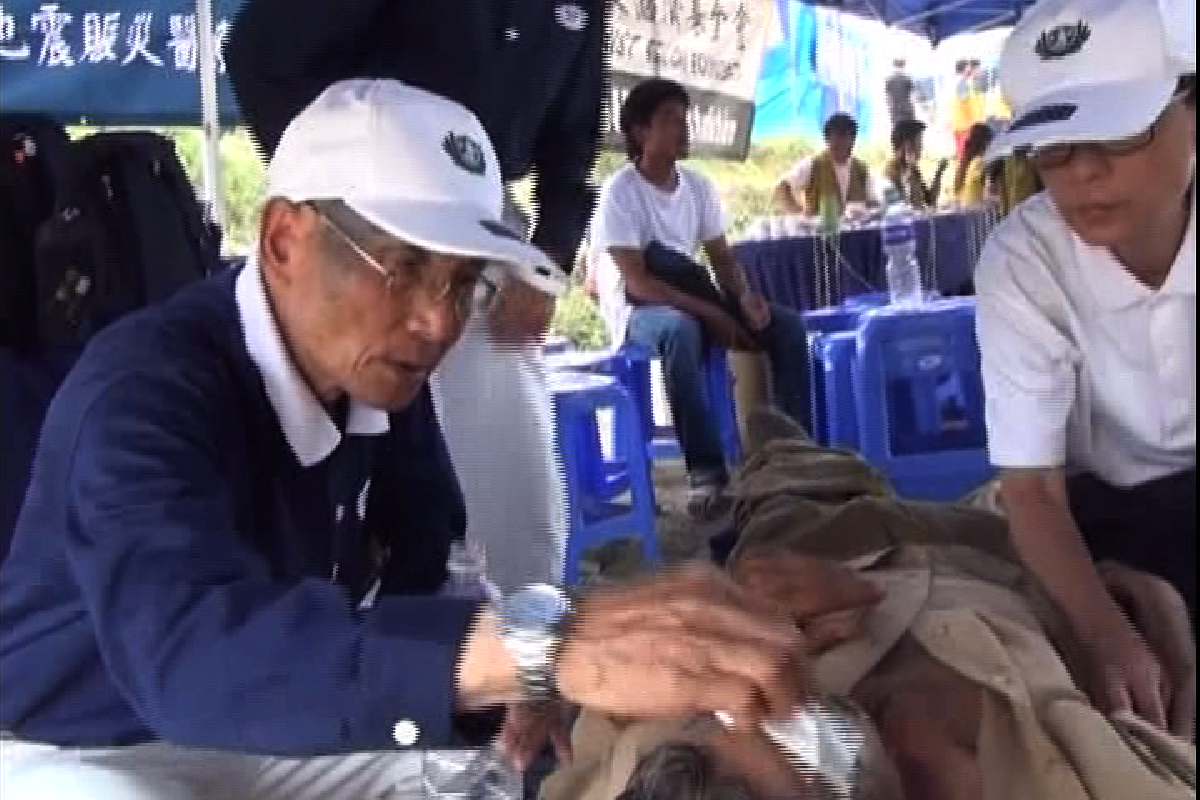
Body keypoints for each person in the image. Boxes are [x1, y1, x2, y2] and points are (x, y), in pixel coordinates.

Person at [0, 81, 815, 800]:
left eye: (462, 282)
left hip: (261, 729)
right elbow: (189, 652)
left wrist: (527, 666)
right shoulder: (145, 390)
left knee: (494, 770)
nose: (437, 321)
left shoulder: (377, 380)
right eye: (402, 267)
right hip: (80, 747)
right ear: (283, 239)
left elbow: (435, 572)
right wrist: (536, 647)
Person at [539, 408, 1197, 800]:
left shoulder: (636, 762)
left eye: (778, 715)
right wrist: (1147, 615)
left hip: (812, 537)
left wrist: (731, 617)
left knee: (783, 473)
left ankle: (773, 440)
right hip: (993, 553)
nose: (780, 693)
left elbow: (599, 672)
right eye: (828, 759)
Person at [227, 0, 607, 592]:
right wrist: (329, 191)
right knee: (339, 483)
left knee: (516, 498)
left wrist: (548, 260)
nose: (431, 320)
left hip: (486, 234)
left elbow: (575, 131)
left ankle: (524, 654)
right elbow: (261, 56)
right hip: (364, 228)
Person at [975, 0, 1195, 742]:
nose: (1087, 171)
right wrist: (1108, 636)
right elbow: (1032, 489)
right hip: (1096, 512)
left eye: (1119, 131)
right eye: (1055, 147)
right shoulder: (1022, 263)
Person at [590, 79, 814, 517]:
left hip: (687, 292)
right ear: (640, 132)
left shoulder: (697, 186)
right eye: (671, 120)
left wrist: (746, 300)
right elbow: (637, 283)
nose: (683, 128)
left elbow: (722, 260)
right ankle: (707, 474)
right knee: (681, 330)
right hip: (637, 308)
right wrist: (713, 313)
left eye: (684, 118)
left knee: (784, 325)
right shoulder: (622, 192)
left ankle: (795, 452)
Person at [773, 113, 880, 219]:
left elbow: (873, 201)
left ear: (853, 141)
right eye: (837, 142)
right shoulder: (812, 165)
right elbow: (782, 188)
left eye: (846, 139)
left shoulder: (862, 169)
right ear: (827, 140)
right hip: (820, 232)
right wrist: (798, 214)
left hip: (856, 232)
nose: (842, 144)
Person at [885, 119, 948, 210]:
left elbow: (930, 201)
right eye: (919, 143)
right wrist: (911, 172)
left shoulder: (912, 169)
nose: (921, 148)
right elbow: (913, 205)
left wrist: (939, 173)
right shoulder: (891, 172)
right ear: (907, 144)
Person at [952, 122, 997, 207]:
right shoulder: (979, 163)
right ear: (986, 143)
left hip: (967, 211)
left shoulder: (967, 162)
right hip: (975, 212)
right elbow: (990, 191)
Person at [885, 58, 918, 128]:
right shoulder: (907, 79)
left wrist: (890, 107)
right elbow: (913, 97)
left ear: (894, 66)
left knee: (897, 129)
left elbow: (888, 97)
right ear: (903, 67)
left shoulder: (889, 80)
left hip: (895, 109)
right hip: (907, 108)